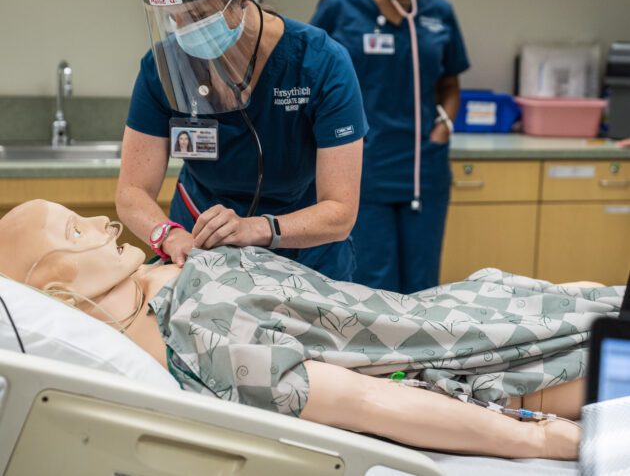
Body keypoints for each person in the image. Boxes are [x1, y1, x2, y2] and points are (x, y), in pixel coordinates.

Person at [1, 200, 625, 460]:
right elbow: (366, 400)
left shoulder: (164, 278)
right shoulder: (203, 341)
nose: (99, 219)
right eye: (73, 232)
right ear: (58, 290)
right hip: (502, 361)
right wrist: (548, 442)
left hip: (465, 309)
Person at [116, 0, 367, 280]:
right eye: (174, 20)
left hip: (305, 259)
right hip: (200, 252)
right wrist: (168, 236)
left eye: (199, 16)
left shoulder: (320, 64)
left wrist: (255, 229)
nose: (185, 33)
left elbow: (340, 210)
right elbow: (132, 191)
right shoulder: (161, 70)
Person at [311, 0, 469, 294]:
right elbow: (312, 82)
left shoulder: (438, 12)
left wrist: (444, 128)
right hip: (363, 167)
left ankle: (418, 362)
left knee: (423, 287)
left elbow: (450, 83)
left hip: (423, 167)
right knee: (371, 285)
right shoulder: (340, 6)